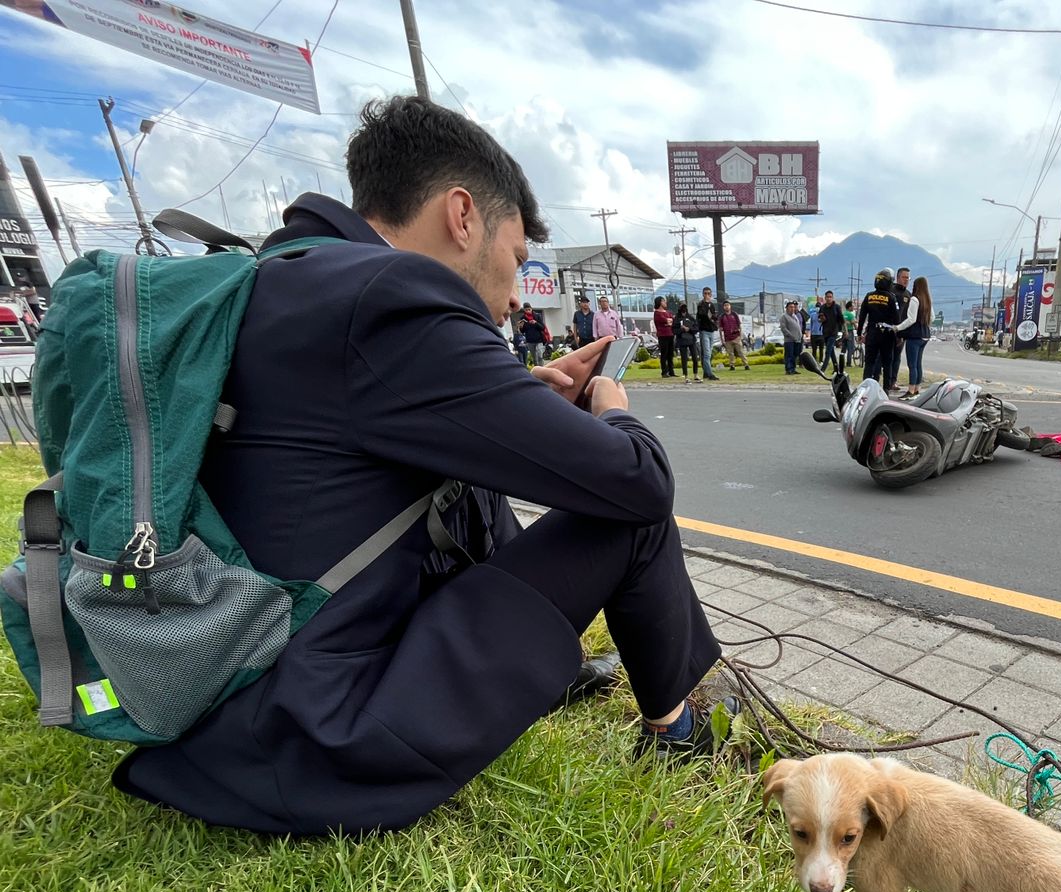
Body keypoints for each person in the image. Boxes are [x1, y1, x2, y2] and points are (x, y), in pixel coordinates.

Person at [108, 96, 728, 836]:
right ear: (463, 216)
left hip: (216, 688)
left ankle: (552, 677)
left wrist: (517, 394)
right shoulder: (393, 299)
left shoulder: (287, 277)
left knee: (471, 476)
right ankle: (676, 733)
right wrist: (614, 409)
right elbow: (636, 478)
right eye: (516, 259)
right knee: (631, 509)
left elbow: (340, 439)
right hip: (319, 737)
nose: (508, 299)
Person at [889, 275, 932, 396]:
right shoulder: (928, 299)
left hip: (915, 336)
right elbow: (932, 317)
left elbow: (911, 319)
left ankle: (910, 390)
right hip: (925, 335)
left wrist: (897, 328)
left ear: (916, 286)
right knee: (918, 363)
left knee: (912, 364)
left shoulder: (914, 299)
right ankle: (917, 389)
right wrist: (924, 323)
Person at [858, 270, 899, 385]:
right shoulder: (891, 297)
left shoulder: (869, 296)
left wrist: (859, 333)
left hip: (872, 333)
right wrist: (899, 335)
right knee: (887, 363)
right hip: (887, 334)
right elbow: (897, 319)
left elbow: (862, 317)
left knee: (869, 363)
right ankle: (886, 389)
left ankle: (865, 388)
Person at [885, 267, 910, 393]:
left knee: (897, 358)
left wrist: (903, 333)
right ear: (898, 277)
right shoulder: (890, 290)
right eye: (904, 277)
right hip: (889, 330)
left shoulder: (908, 295)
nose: (906, 280)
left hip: (901, 331)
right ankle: (885, 381)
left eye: (908, 278)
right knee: (886, 357)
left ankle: (892, 382)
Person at [695, 287, 721, 381]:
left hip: (711, 331)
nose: (707, 295)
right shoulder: (701, 304)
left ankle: (706, 372)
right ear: (703, 294)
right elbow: (703, 315)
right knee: (706, 354)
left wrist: (714, 318)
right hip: (704, 331)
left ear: (711, 294)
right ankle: (710, 374)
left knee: (709, 353)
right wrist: (707, 305)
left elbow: (714, 317)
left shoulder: (712, 305)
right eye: (705, 293)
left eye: (708, 293)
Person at [719, 300, 750, 370]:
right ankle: (732, 365)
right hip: (727, 338)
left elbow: (739, 326)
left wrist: (740, 337)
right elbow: (720, 329)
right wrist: (722, 339)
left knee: (740, 352)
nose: (726, 307)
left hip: (736, 337)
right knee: (730, 353)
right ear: (723, 307)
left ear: (730, 306)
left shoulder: (734, 314)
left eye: (728, 305)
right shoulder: (722, 317)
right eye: (725, 305)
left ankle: (746, 364)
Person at [674, 302, 700, 380]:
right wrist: (681, 329)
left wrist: (689, 329)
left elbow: (696, 328)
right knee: (684, 359)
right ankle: (686, 376)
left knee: (695, 358)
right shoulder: (677, 318)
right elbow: (674, 330)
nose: (683, 310)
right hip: (682, 340)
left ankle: (695, 374)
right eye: (682, 308)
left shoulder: (691, 317)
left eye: (685, 308)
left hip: (691, 340)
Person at [818, 290, 842, 371]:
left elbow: (842, 319)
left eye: (830, 297)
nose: (829, 298)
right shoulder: (822, 307)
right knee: (831, 351)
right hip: (825, 332)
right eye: (827, 297)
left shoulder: (837, 307)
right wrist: (822, 319)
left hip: (834, 332)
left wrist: (844, 331)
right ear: (825, 298)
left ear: (832, 298)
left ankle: (823, 369)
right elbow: (819, 319)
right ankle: (836, 368)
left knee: (827, 350)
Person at [652, 296, 676, 377]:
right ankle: (664, 372)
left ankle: (671, 371)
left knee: (670, 354)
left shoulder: (668, 312)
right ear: (659, 302)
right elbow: (665, 320)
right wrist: (668, 321)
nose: (665, 302)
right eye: (663, 301)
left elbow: (672, 320)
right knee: (664, 354)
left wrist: (669, 321)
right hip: (662, 335)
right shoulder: (657, 313)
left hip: (670, 334)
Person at [780, 300, 805, 374]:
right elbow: (784, 329)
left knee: (795, 355)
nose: (792, 309)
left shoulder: (795, 316)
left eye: (793, 307)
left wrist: (800, 335)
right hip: (789, 340)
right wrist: (791, 336)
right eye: (790, 307)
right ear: (787, 308)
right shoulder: (784, 317)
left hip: (797, 340)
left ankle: (793, 369)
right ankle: (788, 369)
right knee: (789, 355)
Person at [841, 299, 857, 366]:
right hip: (849, 332)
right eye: (853, 306)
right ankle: (848, 363)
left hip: (843, 332)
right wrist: (858, 330)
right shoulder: (851, 315)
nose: (853, 307)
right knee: (850, 349)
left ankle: (841, 362)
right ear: (849, 307)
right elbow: (854, 324)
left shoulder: (843, 314)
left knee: (843, 349)